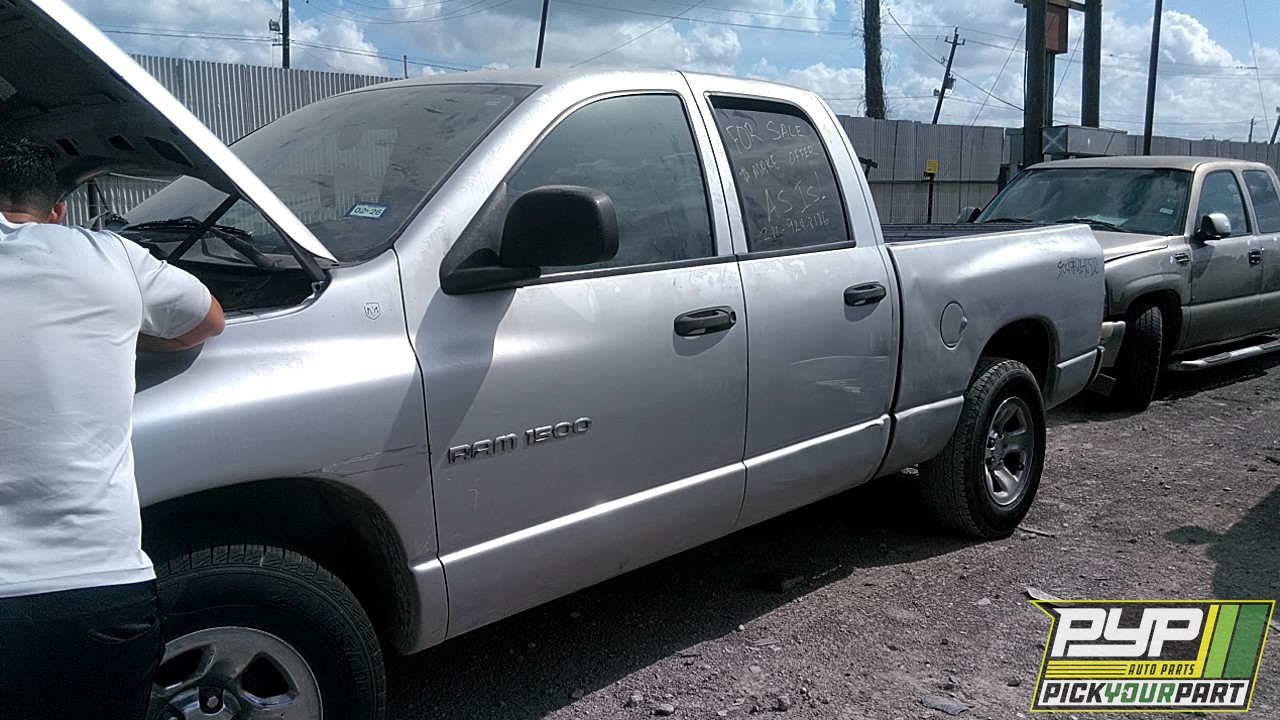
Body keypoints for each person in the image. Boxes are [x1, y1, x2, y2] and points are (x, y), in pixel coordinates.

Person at [0, 136, 225, 719]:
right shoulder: (111, 256)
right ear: (58, 211)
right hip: (100, 595)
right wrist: (120, 330)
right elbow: (207, 320)